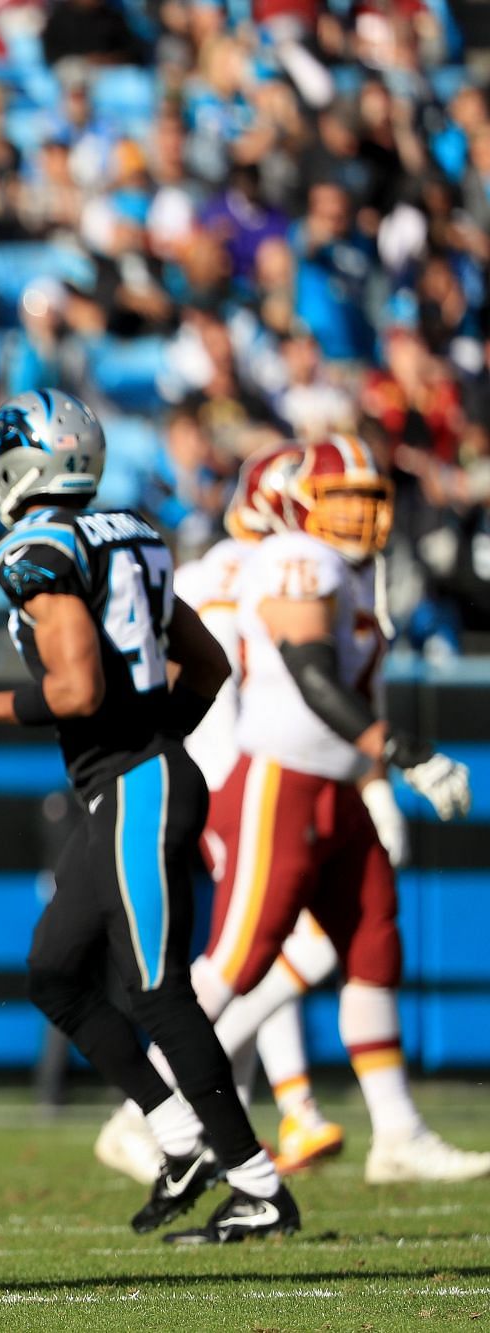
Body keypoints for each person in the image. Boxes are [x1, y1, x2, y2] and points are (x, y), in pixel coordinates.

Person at [0, 390, 300, 1244]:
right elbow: (206, 665)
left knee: (157, 991)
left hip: (135, 785)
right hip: (138, 781)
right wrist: (159, 746)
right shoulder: (130, 532)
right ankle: (178, 1139)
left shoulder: (35, 548)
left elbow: (77, 689)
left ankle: (258, 1185)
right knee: (55, 972)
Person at [183, 437, 489, 1184]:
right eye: (341, 496)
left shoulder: (343, 570)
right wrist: (400, 752)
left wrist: (373, 776)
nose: (360, 514)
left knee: (372, 941)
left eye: (369, 497)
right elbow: (312, 674)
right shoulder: (297, 561)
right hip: (275, 777)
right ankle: (148, 1105)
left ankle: (391, 1129)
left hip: (333, 779)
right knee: (242, 955)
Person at [95, 444, 360, 1184]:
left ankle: (270, 1113)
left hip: (226, 772)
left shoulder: (226, 567)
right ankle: (153, 1109)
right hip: (242, 774)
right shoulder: (265, 568)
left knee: (266, 945)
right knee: (268, 949)